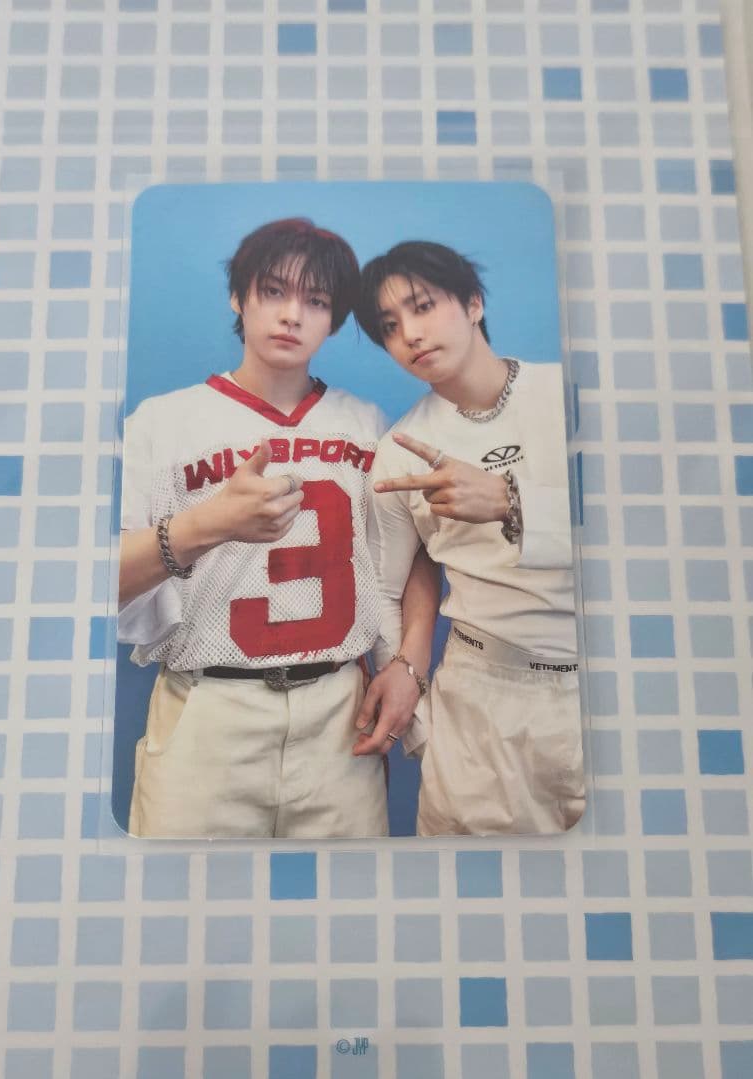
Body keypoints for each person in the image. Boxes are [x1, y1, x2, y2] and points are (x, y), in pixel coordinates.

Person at [117, 218, 436, 840]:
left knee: (348, 899)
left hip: (338, 716)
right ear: (238, 297)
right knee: (178, 898)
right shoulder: (162, 423)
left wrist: (410, 663)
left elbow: (414, 553)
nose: (292, 315)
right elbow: (98, 582)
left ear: (335, 318)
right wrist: (207, 524)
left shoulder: (366, 423)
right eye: (273, 291)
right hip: (209, 713)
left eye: (316, 300)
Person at [356, 240, 585, 836]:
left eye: (423, 306)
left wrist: (510, 501)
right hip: (480, 701)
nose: (410, 333)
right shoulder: (399, 451)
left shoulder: (574, 397)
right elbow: (382, 588)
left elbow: (651, 535)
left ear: (474, 303)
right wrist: (419, 724)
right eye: (389, 326)